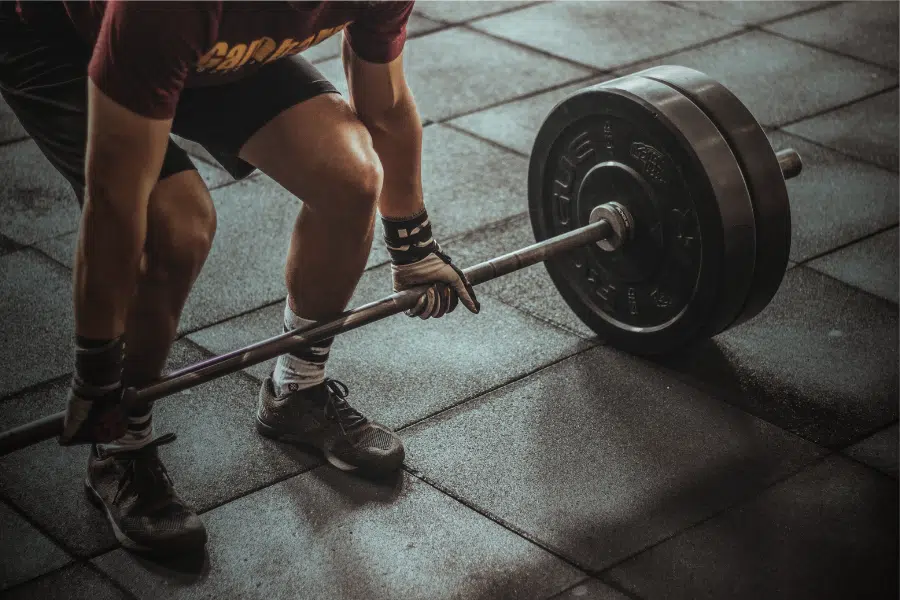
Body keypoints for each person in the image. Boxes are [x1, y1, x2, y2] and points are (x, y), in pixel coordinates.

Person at [0, 0, 479, 554]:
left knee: (350, 178)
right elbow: (115, 201)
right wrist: (97, 372)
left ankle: (295, 392)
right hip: (59, 38)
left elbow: (386, 106)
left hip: (208, 42)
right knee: (175, 225)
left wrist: (412, 246)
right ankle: (120, 446)